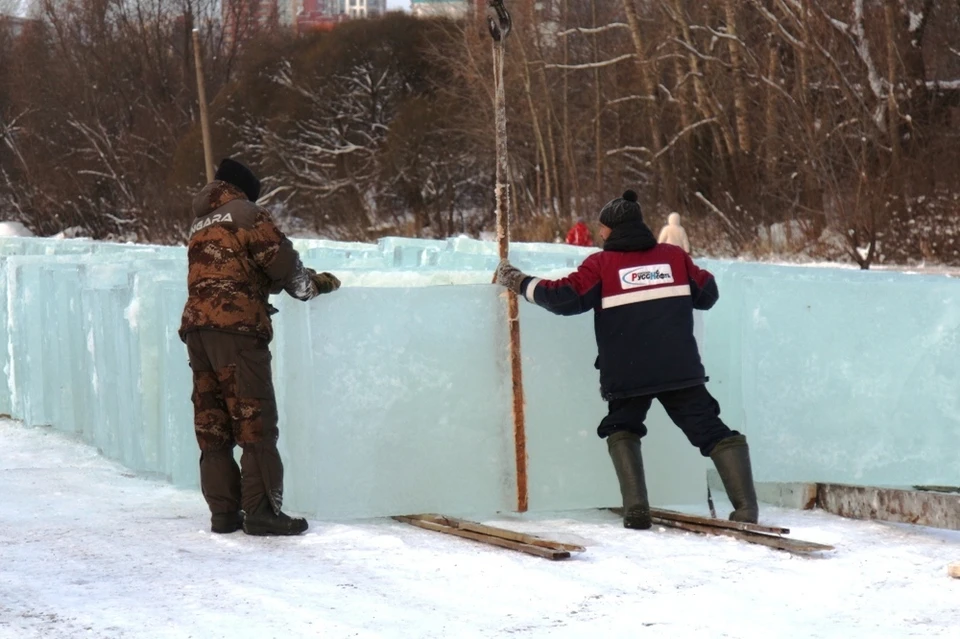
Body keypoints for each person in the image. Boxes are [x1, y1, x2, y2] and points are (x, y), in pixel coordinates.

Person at [494, 189, 758, 529]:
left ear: (610, 230)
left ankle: (636, 509)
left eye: (602, 228)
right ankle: (746, 510)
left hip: (627, 372)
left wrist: (517, 281)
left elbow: (562, 298)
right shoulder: (673, 257)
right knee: (710, 429)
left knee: (622, 426)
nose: (600, 233)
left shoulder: (601, 265)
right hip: (679, 368)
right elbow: (707, 295)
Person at [179, 158, 341, 536]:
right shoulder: (248, 214)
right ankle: (263, 512)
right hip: (236, 330)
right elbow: (284, 267)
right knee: (255, 422)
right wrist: (318, 284)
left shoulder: (202, 223)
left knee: (213, 425)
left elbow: (237, 271)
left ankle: (224, 514)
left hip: (197, 331)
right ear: (245, 190)